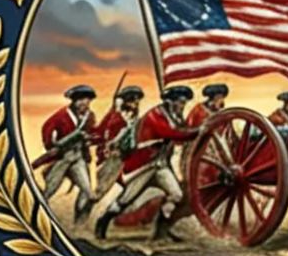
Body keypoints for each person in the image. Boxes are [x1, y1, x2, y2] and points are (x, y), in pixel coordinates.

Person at [98, 84, 195, 240]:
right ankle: (102, 223)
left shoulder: (176, 118)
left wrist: (194, 130)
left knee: (176, 194)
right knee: (125, 200)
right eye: (180, 102)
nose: (182, 106)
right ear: (170, 102)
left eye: (184, 103)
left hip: (160, 165)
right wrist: (196, 131)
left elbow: (183, 131)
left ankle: (161, 230)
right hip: (144, 165)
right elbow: (172, 133)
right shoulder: (155, 115)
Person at [36, 84, 100, 220]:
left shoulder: (89, 116)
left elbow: (93, 133)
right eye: (81, 100)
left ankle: (80, 221)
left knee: (87, 190)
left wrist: (90, 139)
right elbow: (47, 131)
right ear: (74, 101)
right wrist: (52, 147)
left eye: (87, 100)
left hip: (78, 157)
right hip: (63, 158)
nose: (85, 103)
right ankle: (38, 212)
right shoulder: (61, 116)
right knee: (50, 189)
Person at [94, 84, 143, 199]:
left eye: (137, 100)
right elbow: (107, 135)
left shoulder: (132, 117)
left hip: (125, 156)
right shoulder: (117, 118)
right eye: (133, 99)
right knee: (99, 191)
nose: (136, 102)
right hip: (114, 156)